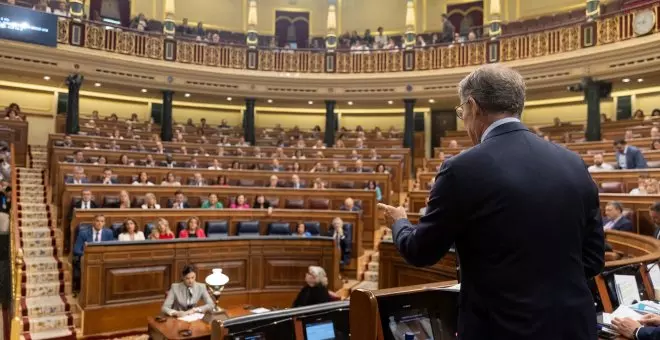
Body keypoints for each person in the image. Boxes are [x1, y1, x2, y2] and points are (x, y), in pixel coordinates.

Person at [377, 64, 604, 340]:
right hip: (574, 327)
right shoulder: (573, 163)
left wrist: (399, 220)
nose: (464, 121)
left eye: (462, 113)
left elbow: (420, 251)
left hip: (502, 330)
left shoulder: (462, 169)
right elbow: (593, 258)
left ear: (473, 106)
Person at [73, 215, 114, 291]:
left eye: (102, 221)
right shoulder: (83, 233)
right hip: (88, 260)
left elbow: (111, 249)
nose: (99, 223)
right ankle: (88, 290)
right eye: (97, 221)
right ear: (93, 222)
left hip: (103, 260)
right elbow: (76, 250)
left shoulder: (109, 233)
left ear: (104, 223)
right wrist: (90, 256)